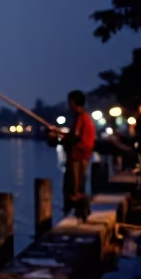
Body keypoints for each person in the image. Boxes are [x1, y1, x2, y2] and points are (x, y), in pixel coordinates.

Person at [57, 90, 96, 219]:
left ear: (74, 102)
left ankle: (80, 212)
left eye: (70, 102)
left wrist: (60, 138)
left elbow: (75, 137)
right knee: (78, 184)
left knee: (74, 186)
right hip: (82, 154)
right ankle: (80, 211)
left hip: (78, 155)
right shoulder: (84, 117)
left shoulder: (81, 117)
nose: (68, 104)